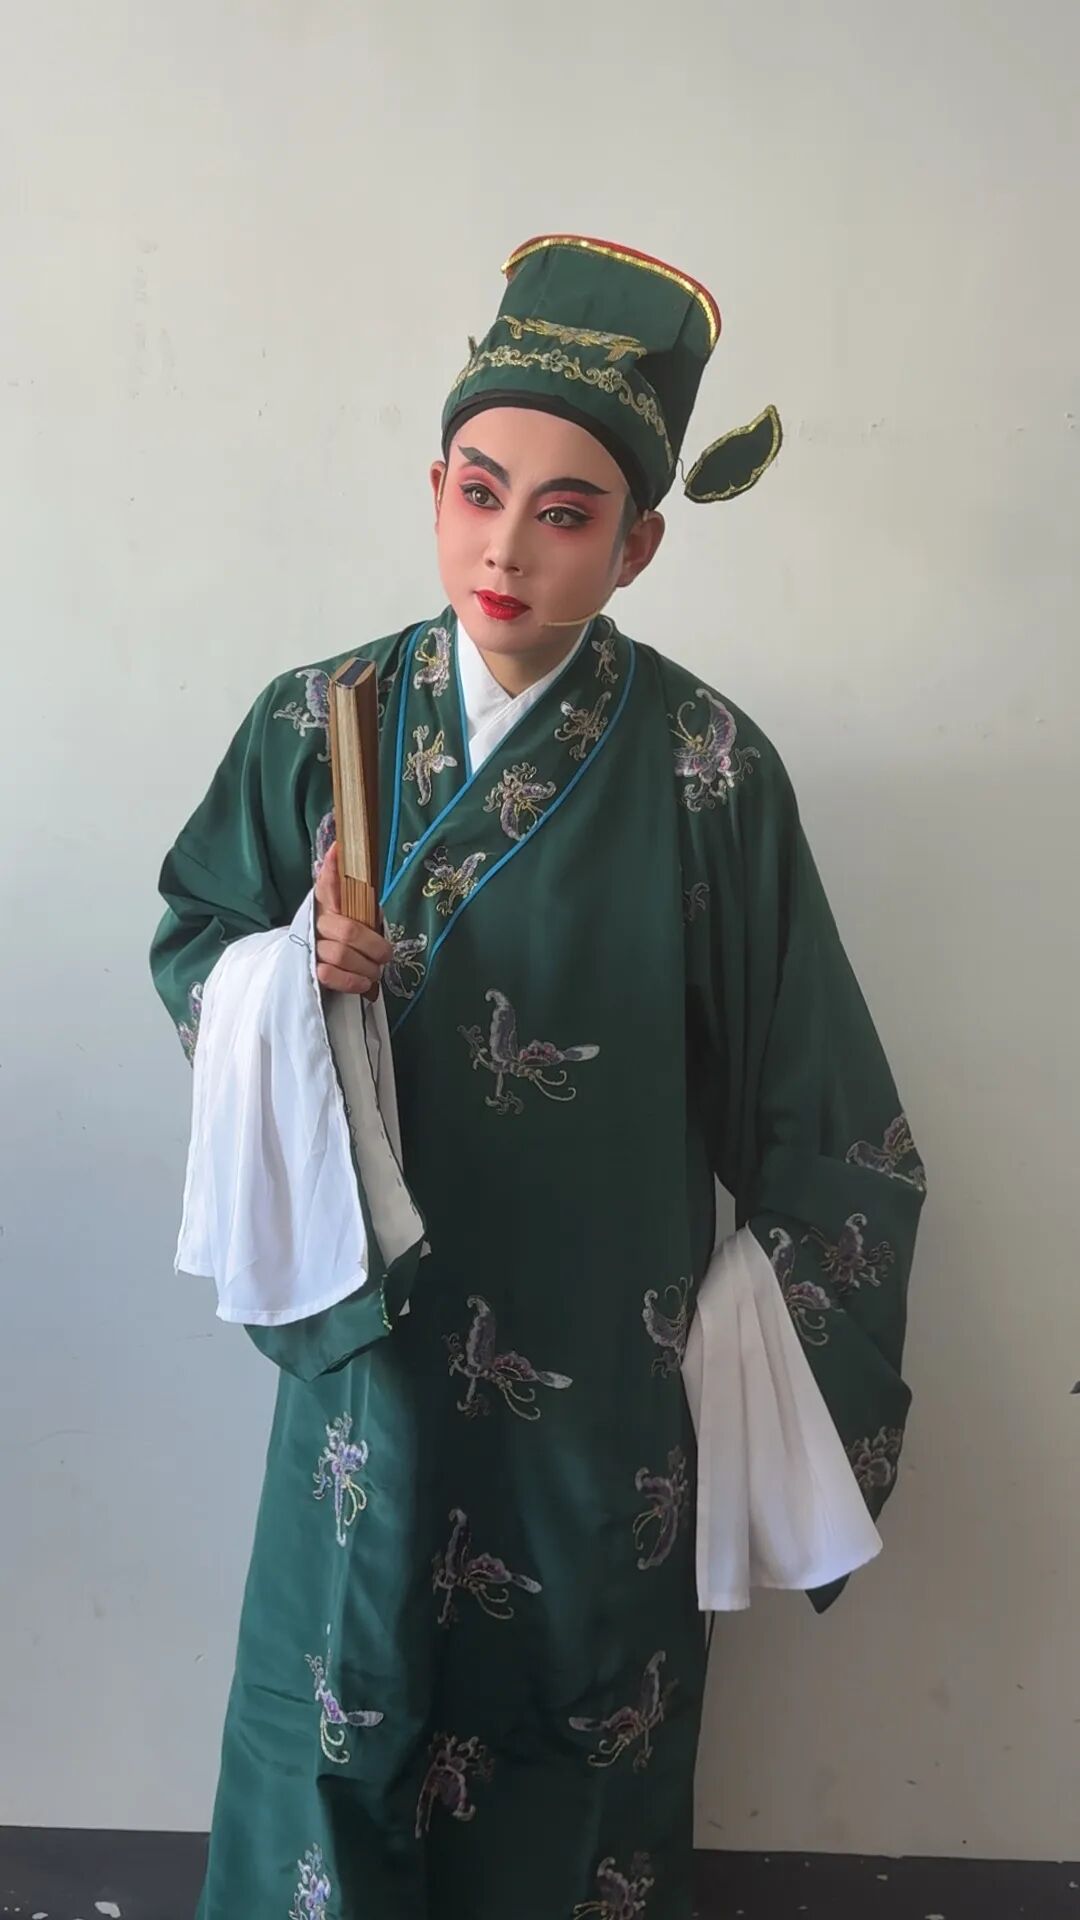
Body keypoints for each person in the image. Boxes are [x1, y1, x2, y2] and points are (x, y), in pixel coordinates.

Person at [152, 234, 925, 1920]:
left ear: (638, 542)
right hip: (373, 1340)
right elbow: (195, 942)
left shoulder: (709, 769)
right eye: (480, 492)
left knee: (579, 1720)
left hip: (601, 1361)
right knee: (339, 1703)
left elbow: (822, 1112)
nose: (507, 547)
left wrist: (745, 1330)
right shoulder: (317, 722)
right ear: (436, 490)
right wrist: (287, 975)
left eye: (567, 514)